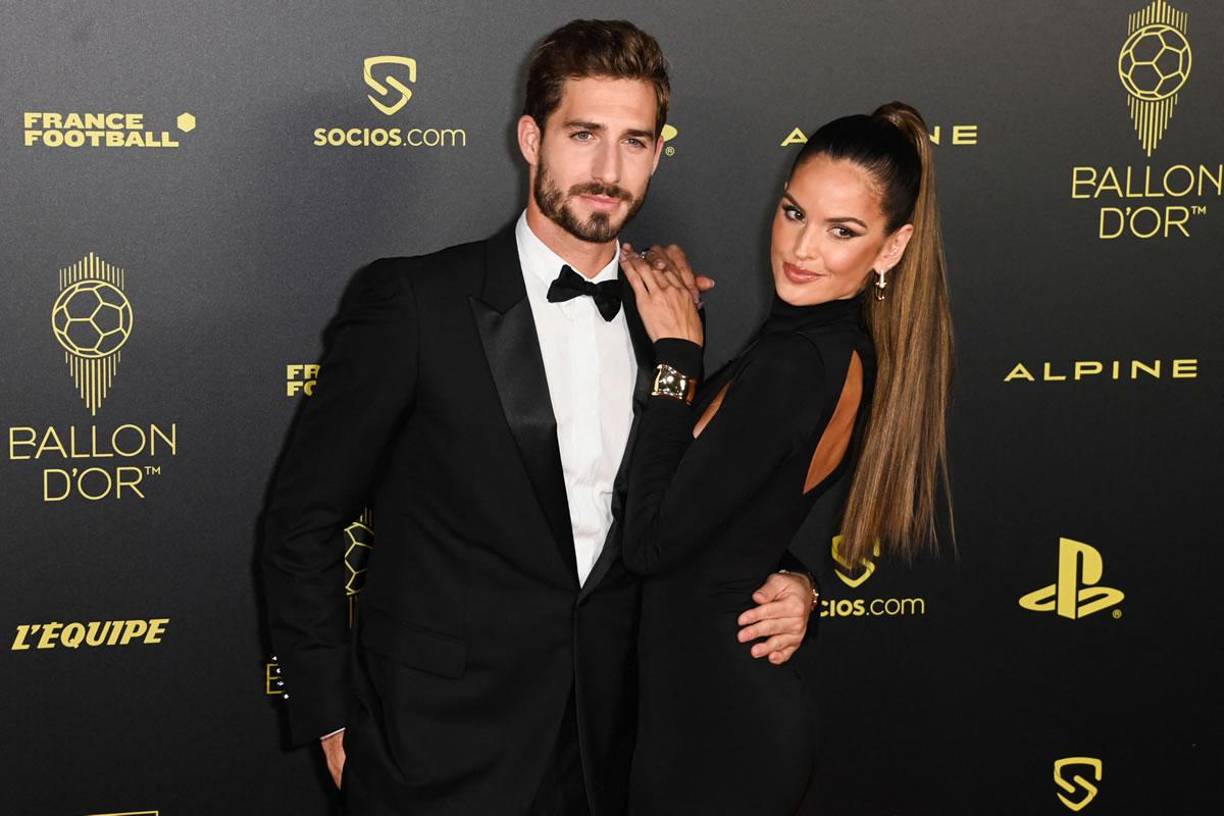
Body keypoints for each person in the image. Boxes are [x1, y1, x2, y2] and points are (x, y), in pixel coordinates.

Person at [259, 19, 817, 815]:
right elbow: (302, 520)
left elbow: (700, 503)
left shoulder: (671, 317)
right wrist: (329, 718)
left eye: (633, 141)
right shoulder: (413, 304)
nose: (606, 169)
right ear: (532, 138)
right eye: (583, 134)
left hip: (611, 752)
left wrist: (796, 578)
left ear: (659, 154)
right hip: (437, 750)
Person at [618, 102, 954, 814]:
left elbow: (649, 542)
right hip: (706, 715)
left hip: (715, 733)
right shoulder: (821, 347)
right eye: (794, 213)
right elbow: (736, 519)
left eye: (843, 231)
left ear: (891, 249)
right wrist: (798, 582)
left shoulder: (799, 364)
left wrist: (678, 355)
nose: (802, 249)